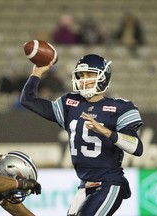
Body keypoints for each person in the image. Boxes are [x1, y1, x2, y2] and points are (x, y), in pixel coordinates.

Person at [20, 54, 144, 215]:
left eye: (90, 75)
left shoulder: (120, 108)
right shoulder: (70, 103)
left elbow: (137, 147)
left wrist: (106, 132)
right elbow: (27, 100)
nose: (84, 79)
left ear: (103, 78)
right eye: (81, 75)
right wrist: (36, 73)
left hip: (109, 183)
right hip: (85, 185)